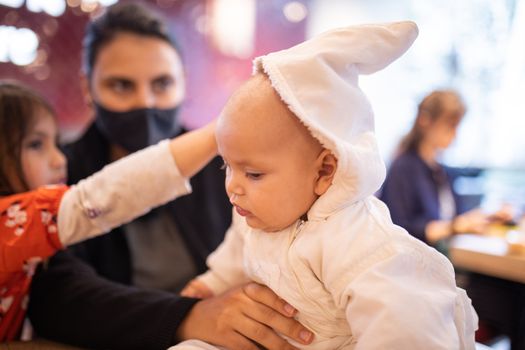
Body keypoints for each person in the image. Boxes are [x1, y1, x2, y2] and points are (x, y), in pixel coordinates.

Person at [174, 21, 478, 349]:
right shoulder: (251, 217)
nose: (232, 186)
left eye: (254, 174)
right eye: (226, 166)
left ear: (324, 172)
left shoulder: (355, 240)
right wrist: (210, 284)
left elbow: (403, 326)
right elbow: (233, 260)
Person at [27, 2, 313, 350]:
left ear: (183, 83)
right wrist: (189, 317)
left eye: (162, 84)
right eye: (121, 86)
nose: (145, 102)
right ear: (89, 88)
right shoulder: (57, 173)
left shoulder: (224, 164)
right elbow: (56, 297)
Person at [0, 80, 218, 341]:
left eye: (56, 143)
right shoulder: (9, 223)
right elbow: (100, 197)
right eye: (36, 144)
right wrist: (216, 134)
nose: (60, 159)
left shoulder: (33, 238)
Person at [380, 90, 508, 246]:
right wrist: (455, 226)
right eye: (451, 125)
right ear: (425, 120)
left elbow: (458, 217)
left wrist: (489, 217)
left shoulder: (441, 171)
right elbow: (401, 229)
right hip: (416, 261)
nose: (455, 134)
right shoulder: (403, 168)